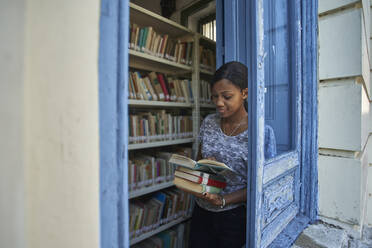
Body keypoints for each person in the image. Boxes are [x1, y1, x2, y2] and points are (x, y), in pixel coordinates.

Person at [188, 61, 276, 248]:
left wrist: (223, 200)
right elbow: (198, 162)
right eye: (214, 96)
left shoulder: (261, 133)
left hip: (233, 216)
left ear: (244, 93)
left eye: (226, 96)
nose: (219, 103)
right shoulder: (210, 122)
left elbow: (262, 185)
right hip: (201, 210)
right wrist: (203, 166)